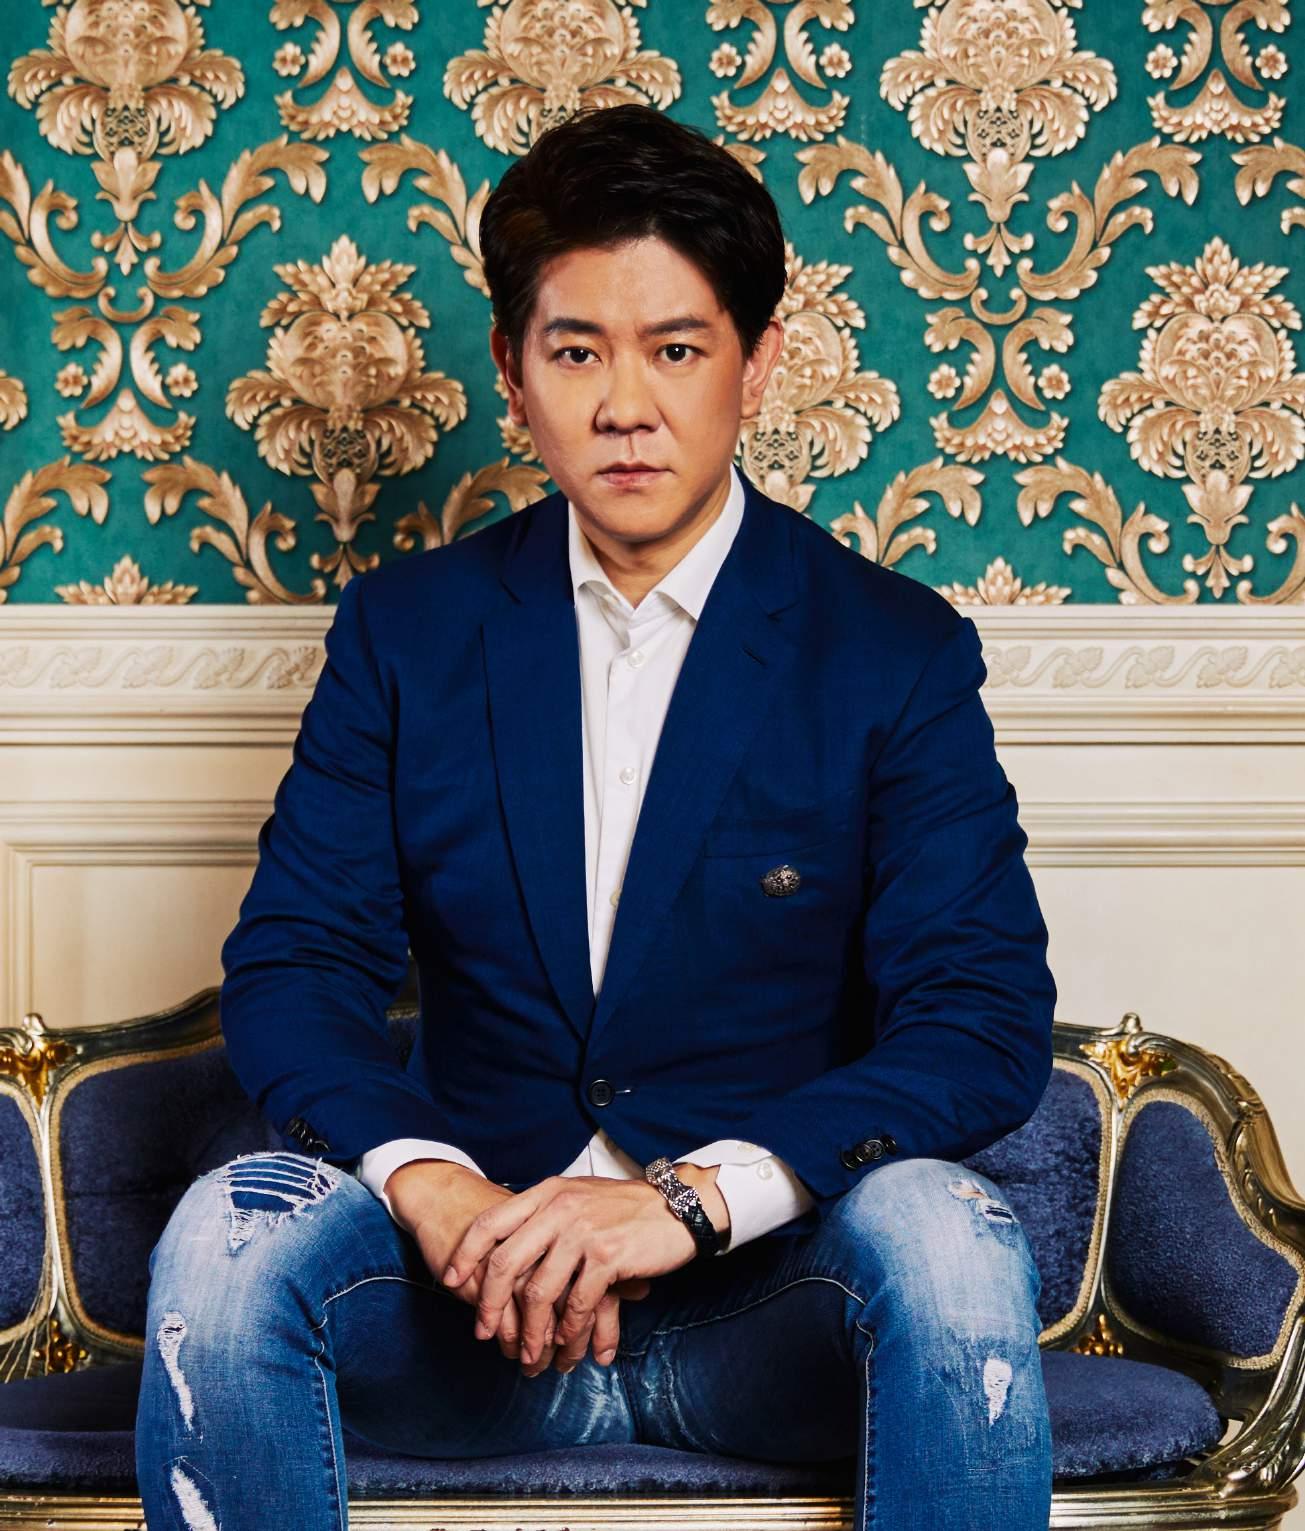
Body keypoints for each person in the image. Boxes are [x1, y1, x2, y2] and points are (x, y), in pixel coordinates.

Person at [135, 102, 1057, 1529]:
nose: (626, 405)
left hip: (765, 1313)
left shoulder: (891, 652)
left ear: (756, 363)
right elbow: (297, 967)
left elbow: (979, 1017)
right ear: (513, 376)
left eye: (675, 349)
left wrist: (689, 1202)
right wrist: (433, 1186)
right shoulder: (406, 634)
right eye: (577, 353)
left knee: (949, 1235)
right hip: (461, 1314)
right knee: (226, 1232)